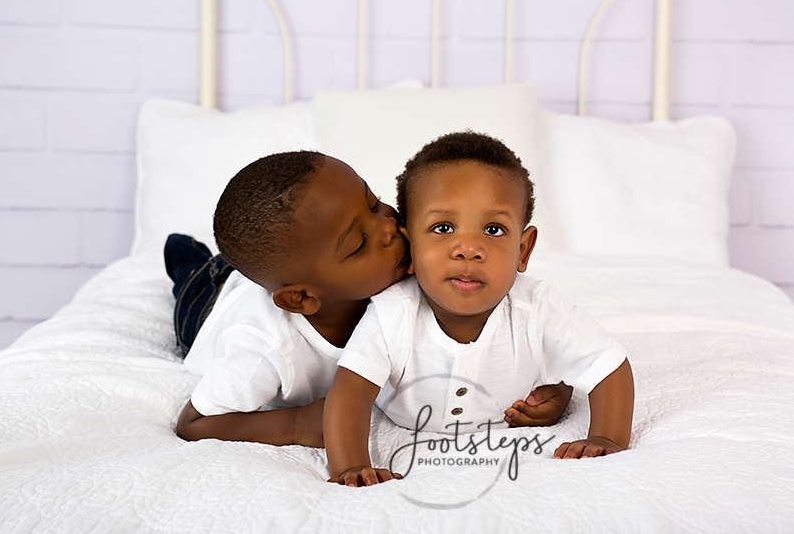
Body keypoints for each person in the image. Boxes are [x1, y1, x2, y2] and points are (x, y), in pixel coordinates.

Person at [166, 150, 573, 448]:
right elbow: (194, 422)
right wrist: (294, 426)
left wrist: (552, 386)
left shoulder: (398, 271)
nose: (388, 228)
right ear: (306, 299)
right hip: (212, 308)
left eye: (374, 203)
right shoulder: (261, 347)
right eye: (360, 242)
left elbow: (509, 324)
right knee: (198, 282)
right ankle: (187, 260)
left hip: (282, 279)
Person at [324, 132, 634, 486]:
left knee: (554, 382)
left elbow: (608, 365)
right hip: (402, 418)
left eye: (493, 229)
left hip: (509, 418)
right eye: (442, 228)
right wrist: (351, 465)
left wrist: (606, 437)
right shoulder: (392, 312)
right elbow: (352, 390)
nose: (468, 249)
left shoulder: (537, 309)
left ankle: (557, 384)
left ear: (523, 250)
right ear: (410, 249)